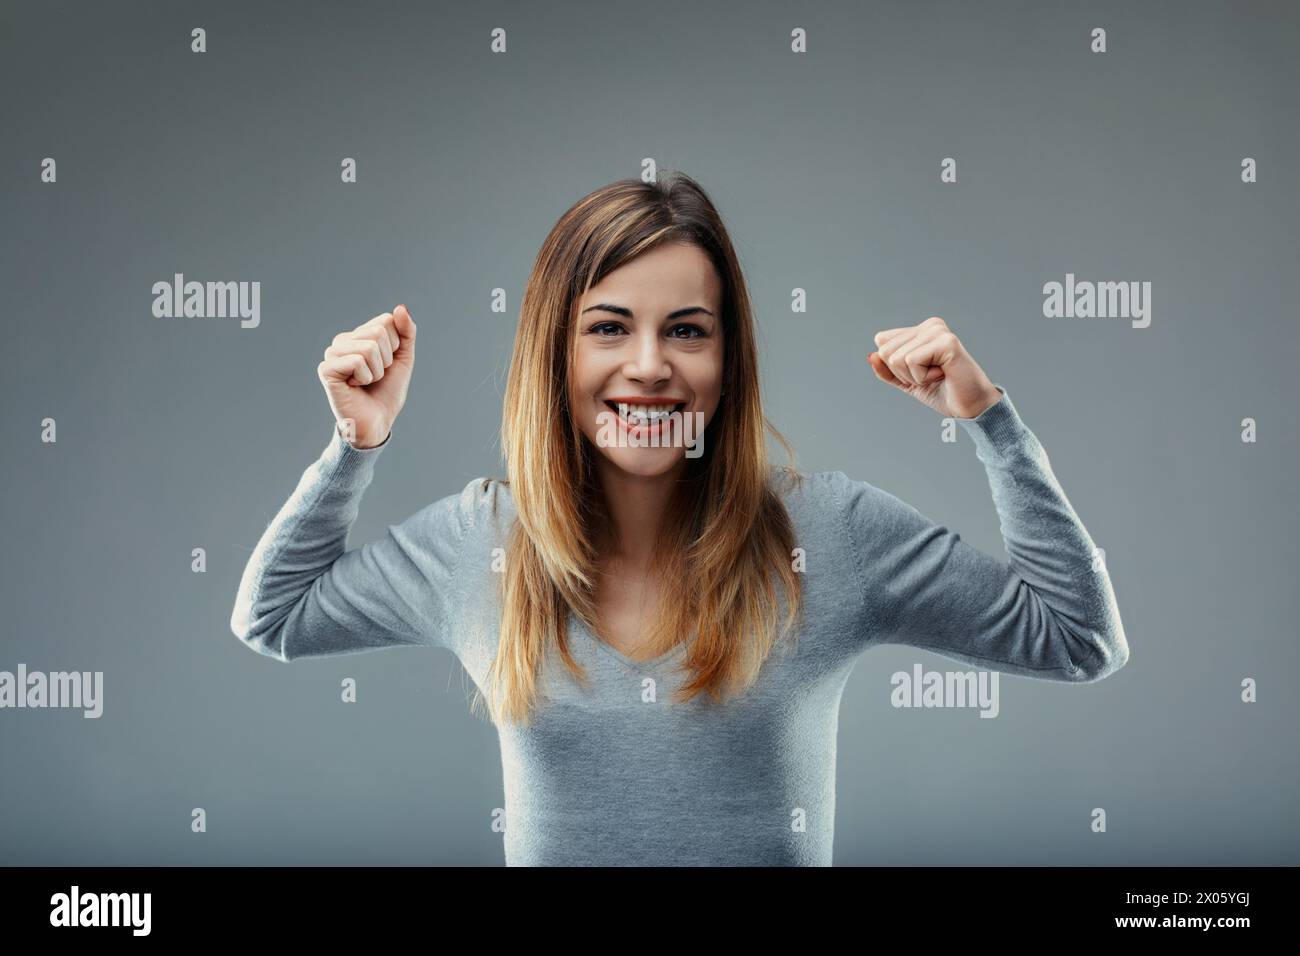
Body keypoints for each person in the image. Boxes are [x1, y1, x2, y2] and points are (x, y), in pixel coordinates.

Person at [230, 172, 1129, 866]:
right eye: (610, 328)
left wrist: (990, 423)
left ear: (728, 360)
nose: (651, 365)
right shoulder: (482, 546)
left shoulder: (833, 535)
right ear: (556, 354)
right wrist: (357, 444)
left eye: (689, 331)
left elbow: (1080, 639)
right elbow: (273, 617)